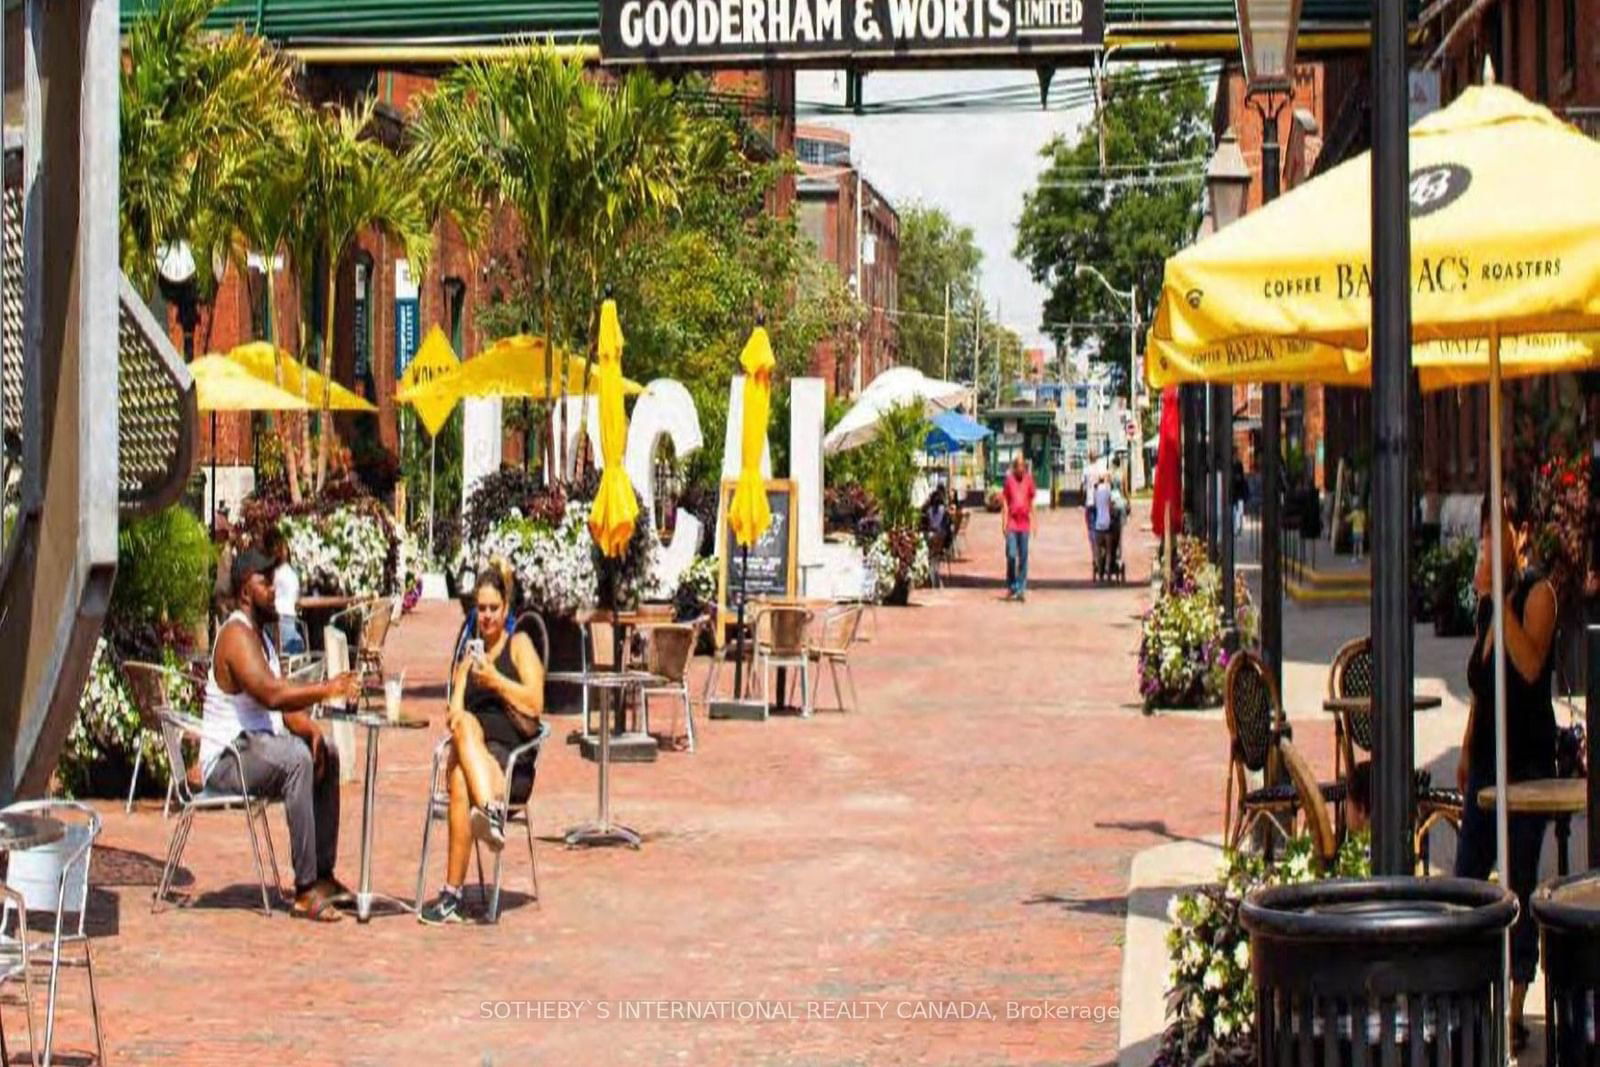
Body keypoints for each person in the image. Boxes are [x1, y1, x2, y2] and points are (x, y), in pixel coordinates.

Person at [203, 547, 361, 921]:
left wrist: (308, 727)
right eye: (265, 583)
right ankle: (305, 890)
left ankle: (323, 875)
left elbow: (283, 706)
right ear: (245, 590)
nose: (273, 590)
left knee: (327, 752)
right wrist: (328, 689)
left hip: (258, 748)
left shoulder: (264, 638)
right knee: (296, 760)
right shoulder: (236, 635)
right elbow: (270, 694)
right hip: (228, 759)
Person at [1454, 495, 1557, 1052]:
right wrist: (1468, 746)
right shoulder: (1488, 603)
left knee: (1517, 881)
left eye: (1502, 532)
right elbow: (1481, 683)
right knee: (1469, 876)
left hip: (1529, 763)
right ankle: (1470, 995)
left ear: (1524, 534)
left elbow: (1529, 663)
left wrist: (1499, 602)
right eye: (1487, 532)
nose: (1492, 543)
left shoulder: (1538, 593)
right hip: (1488, 765)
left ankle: (1516, 1005)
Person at [420, 567, 545, 925]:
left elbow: (535, 703)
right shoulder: (466, 663)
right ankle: (489, 813)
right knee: (463, 727)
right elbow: (454, 714)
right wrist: (467, 683)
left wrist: (496, 680)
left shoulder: (519, 646)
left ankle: (451, 895)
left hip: (511, 765)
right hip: (483, 768)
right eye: (481, 609)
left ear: (506, 609)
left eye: (493, 608)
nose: (487, 616)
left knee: (460, 772)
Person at [264, 528, 304, 655]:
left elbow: (295, 598)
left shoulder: (292, 572)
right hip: (280, 619)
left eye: (283, 547)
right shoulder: (272, 572)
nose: (282, 551)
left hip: (290, 619)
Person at [1002, 455, 1036, 602]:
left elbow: (1032, 501)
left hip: (1024, 524)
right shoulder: (1009, 481)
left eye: (1023, 467)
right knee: (1011, 554)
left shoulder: (1029, 480)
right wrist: (1003, 521)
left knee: (1023, 556)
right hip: (1012, 523)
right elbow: (1004, 501)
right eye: (1019, 467)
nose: (1021, 470)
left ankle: (1021, 587)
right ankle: (1012, 585)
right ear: (1014, 467)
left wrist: (1035, 522)